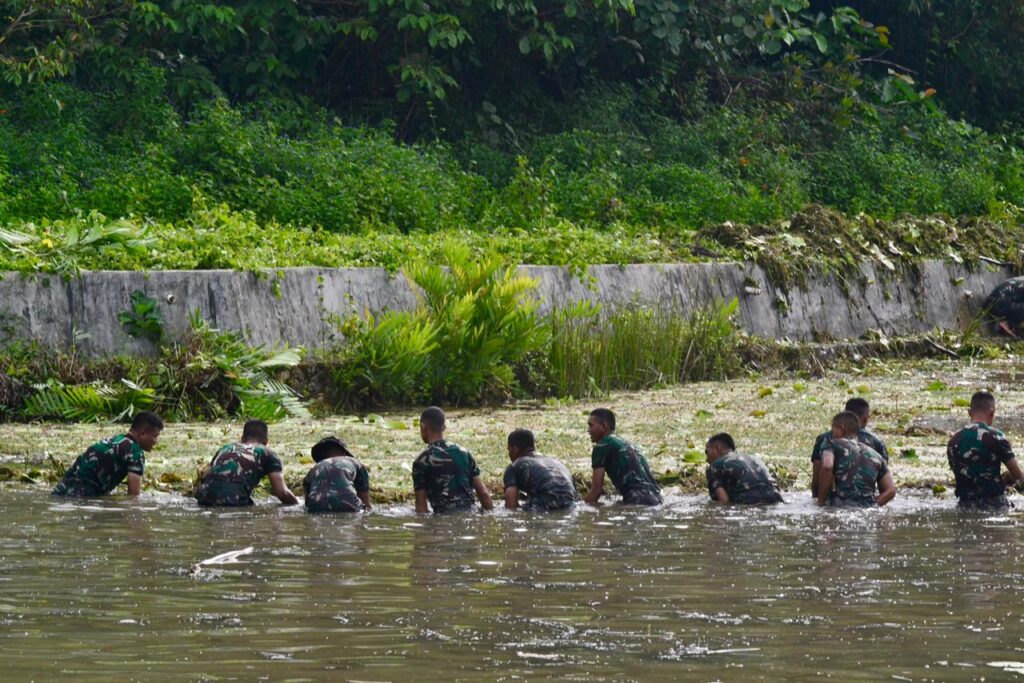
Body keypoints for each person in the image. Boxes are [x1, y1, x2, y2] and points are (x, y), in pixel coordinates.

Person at [52, 411, 164, 497]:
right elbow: (133, 498)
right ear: (143, 433)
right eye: (155, 436)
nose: (156, 441)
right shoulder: (135, 453)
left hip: (63, 487)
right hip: (84, 494)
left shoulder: (114, 440)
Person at [946, 391, 1023, 509]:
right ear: (992, 413)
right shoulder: (997, 437)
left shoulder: (954, 441)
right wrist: (1007, 478)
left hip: (964, 505)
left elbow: (965, 475)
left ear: (969, 412)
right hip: (996, 505)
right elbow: (1018, 476)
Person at [194, 419, 298, 506]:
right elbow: (282, 492)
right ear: (266, 442)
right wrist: (298, 505)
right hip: (232, 500)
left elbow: (206, 475)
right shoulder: (268, 453)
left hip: (203, 497)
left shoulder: (226, 448)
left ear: (242, 438)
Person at [412, 406, 493, 514]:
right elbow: (484, 494)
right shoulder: (464, 453)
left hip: (443, 519)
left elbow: (421, 507)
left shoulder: (422, 460)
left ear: (423, 427)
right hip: (471, 514)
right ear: (444, 427)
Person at [816, 411, 896, 508]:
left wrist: (820, 502)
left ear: (841, 429)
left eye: (833, 431)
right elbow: (891, 490)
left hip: (839, 506)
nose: (832, 434)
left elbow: (827, 466)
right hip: (866, 510)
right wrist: (873, 505)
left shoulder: (831, 444)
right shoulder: (877, 456)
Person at [584, 408, 662, 506]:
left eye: (591, 425)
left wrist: (581, 507)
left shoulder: (602, 446)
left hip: (637, 499)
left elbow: (596, 491)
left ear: (603, 426)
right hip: (657, 498)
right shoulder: (626, 443)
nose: (588, 430)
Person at [810, 397, 888, 495]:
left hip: (835, 499)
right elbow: (885, 486)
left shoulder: (826, 439)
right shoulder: (877, 442)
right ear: (865, 419)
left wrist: (819, 500)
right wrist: (874, 502)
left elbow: (817, 478)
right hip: (866, 499)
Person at [503, 428, 579, 512]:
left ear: (515, 449)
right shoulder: (556, 462)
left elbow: (510, 506)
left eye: (509, 450)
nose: (509, 454)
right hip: (571, 505)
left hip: (544, 506)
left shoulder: (514, 466)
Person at [704, 433, 783, 505]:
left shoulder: (714, 466)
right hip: (776, 498)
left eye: (707, 452)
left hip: (751, 502)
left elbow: (723, 501)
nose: (706, 459)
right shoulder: (754, 458)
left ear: (718, 448)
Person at [303, 436, 372, 513]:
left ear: (321, 455)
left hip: (316, 507)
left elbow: (307, 505)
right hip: (348, 505)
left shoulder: (313, 470)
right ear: (344, 452)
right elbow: (365, 502)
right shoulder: (355, 463)